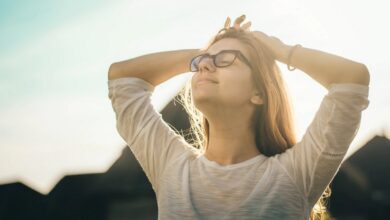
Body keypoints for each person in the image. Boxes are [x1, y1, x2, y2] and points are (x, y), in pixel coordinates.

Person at [107, 15, 370, 220]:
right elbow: (122, 78)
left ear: (259, 93)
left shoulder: (295, 174)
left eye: (226, 59)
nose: (205, 65)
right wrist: (201, 53)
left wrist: (279, 50)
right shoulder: (171, 167)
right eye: (201, 62)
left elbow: (351, 79)